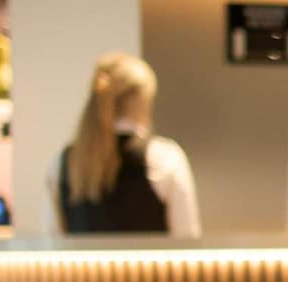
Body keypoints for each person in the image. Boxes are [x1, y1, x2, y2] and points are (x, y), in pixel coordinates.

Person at [47, 53, 201, 237]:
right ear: (145, 102)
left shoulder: (63, 164)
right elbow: (187, 238)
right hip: (149, 266)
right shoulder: (165, 159)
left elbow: (52, 240)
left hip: (84, 268)